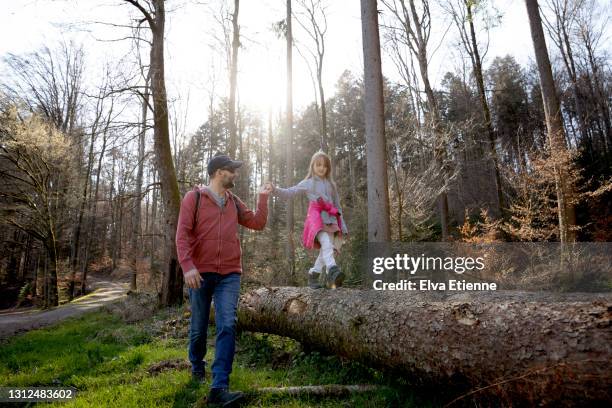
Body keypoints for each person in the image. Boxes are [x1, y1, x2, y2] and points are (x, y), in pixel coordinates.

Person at [176, 154, 272, 407]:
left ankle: (219, 386)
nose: (235, 175)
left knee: (227, 324)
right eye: (232, 171)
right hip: (200, 273)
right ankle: (197, 365)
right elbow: (182, 235)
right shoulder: (193, 198)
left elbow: (257, 223)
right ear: (219, 172)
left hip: (229, 273)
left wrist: (263, 197)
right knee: (198, 328)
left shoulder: (234, 202)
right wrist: (188, 266)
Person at [270, 150, 348, 289]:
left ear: (328, 168)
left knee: (326, 248)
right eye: (318, 165)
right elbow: (290, 192)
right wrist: (275, 189)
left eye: (324, 165)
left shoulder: (332, 185)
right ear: (312, 166)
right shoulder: (308, 183)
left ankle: (313, 275)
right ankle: (333, 270)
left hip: (331, 220)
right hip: (317, 219)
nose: (321, 168)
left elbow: (338, 206)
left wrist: (343, 226)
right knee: (325, 242)